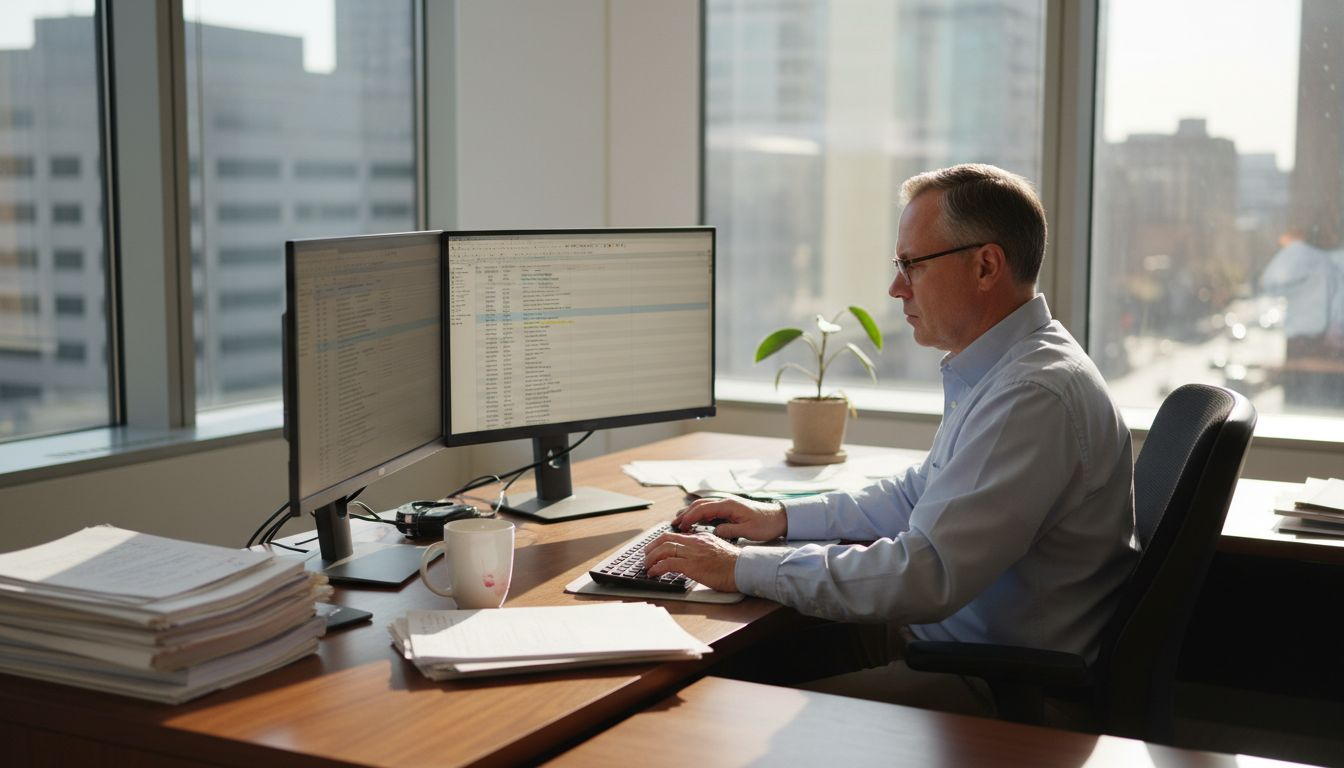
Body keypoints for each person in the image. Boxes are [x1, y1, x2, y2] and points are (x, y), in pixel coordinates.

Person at [645, 163, 1138, 717]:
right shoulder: (1007, 369)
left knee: (719, 715)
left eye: (912, 265)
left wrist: (738, 567)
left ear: (985, 266)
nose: (896, 287)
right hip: (944, 646)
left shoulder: (1032, 395)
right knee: (734, 670)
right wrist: (780, 517)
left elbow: (923, 574)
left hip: (989, 684)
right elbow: (916, 494)